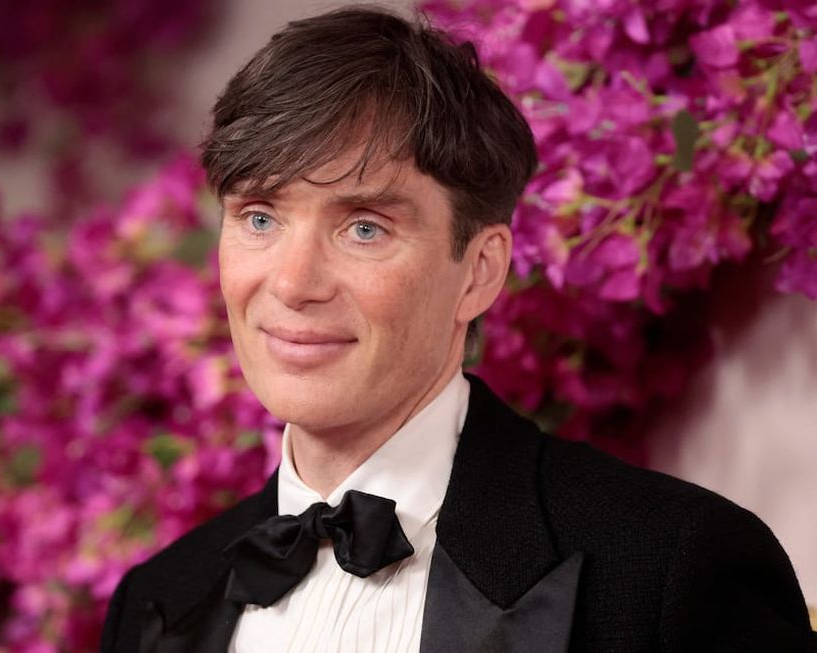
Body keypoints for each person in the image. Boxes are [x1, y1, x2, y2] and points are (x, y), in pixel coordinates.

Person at [100, 7, 815, 652]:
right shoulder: (153, 599)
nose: (291, 284)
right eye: (259, 217)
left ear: (478, 270)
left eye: (365, 227)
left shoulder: (671, 566)